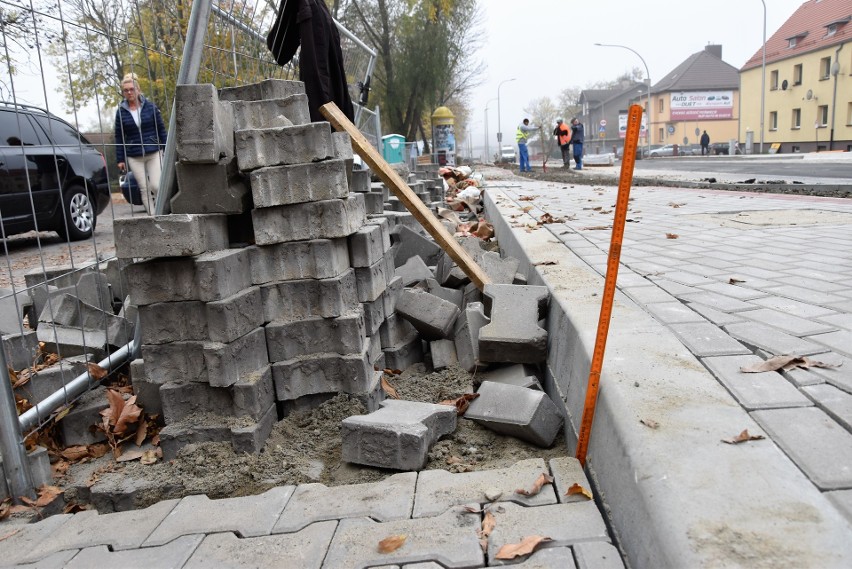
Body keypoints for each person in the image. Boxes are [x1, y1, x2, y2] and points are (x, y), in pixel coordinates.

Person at [266, 0, 354, 123]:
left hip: (321, 103)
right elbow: (280, 52)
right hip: (331, 103)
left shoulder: (315, 8)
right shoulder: (321, 10)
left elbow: (280, 51)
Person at [114, 73, 167, 215]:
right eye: (126, 90)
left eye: (132, 89)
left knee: (156, 185)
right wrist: (120, 159)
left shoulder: (151, 107)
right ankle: (153, 217)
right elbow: (119, 136)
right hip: (134, 155)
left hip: (153, 151)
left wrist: (166, 147)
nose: (129, 92)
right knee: (144, 188)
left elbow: (161, 129)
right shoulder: (120, 113)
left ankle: (164, 212)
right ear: (123, 93)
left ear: (138, 90)